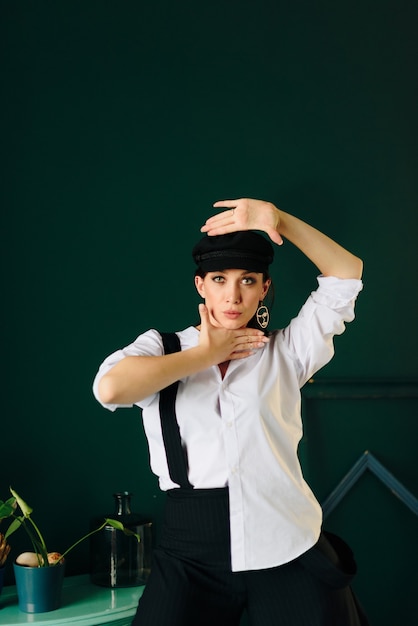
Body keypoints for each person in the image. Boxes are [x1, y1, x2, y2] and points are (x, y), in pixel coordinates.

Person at [93, 198, 368, 626]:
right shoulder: (161, 349)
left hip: (287, 542)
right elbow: (110, 389)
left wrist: (278, 221)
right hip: (190, 552)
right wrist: (207, 354)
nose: (233, 295)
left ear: (263, 288)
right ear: (201, 285)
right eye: (220, 279)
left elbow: (346, 274)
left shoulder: (286, 351)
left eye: (248, 281)